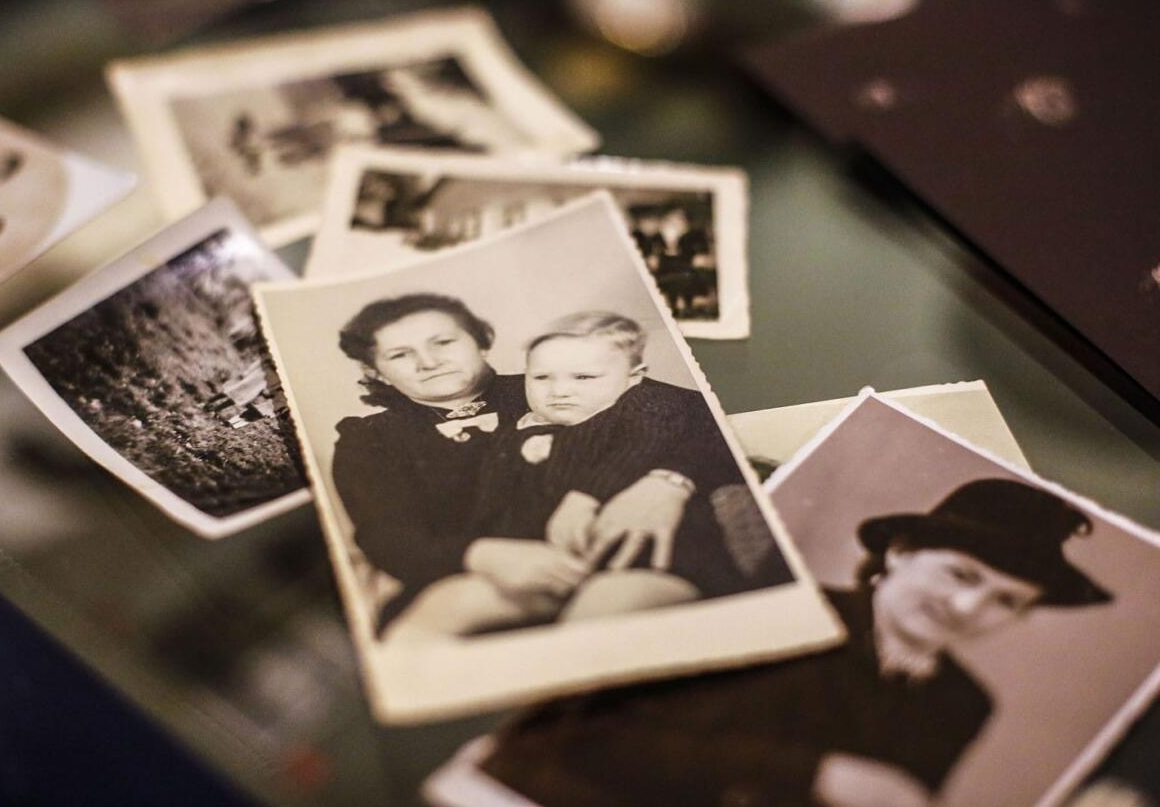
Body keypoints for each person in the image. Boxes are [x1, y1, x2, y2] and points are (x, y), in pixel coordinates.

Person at [479, 478, 1112, 807]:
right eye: (961, 574)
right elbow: (586, 739)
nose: (971, 608)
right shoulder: (779, 611)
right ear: (900, 554)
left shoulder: (963, 704)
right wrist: (820, 774)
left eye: (1007, 600)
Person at [330, 294, 726, 639]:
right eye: (400, 355)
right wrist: (481, 555)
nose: (429, 361)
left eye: (444, 341)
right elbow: (386, 536)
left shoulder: (553, 380)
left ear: (481, 342)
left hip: (617, 560)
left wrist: (669, 481)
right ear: (376, 372)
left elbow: (696, 416)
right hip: (477, 584)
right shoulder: (368, 439)